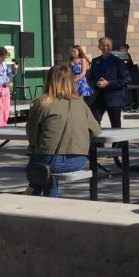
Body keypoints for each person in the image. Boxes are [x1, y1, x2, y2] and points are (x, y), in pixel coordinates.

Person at [25, 65, 101, 197]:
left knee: (43, 165)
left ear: (48, 81)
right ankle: (33, 194)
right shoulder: (80, 103)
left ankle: (34, 194)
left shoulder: (41, 103)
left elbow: (32, 135)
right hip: (77, 160)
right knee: (48, 169)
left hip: (47, 158)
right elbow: (96, 131)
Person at [86, 36, 130, 128]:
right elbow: (90, 79)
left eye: (107, 45)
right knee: (94, 124)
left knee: (115, 125)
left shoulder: (118, 62)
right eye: (103, 45)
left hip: (114, 99)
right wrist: (96, 83)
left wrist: (108, 83)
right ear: (99, 47)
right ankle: (97, 142)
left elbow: (127, 80)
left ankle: (119, 143)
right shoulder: (95, 61)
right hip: (98, 98)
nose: (105, 47)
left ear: (111, 46)